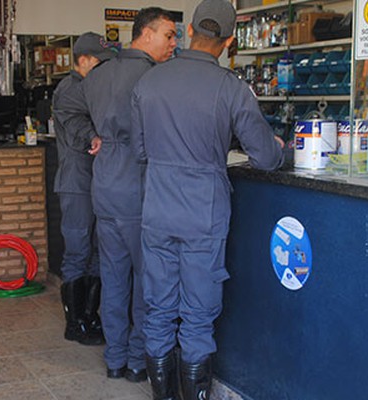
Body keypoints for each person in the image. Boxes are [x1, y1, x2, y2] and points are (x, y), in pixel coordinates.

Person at [130, 1, 284, 398]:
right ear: (230, 41)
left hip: (158, 210)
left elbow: (140, 151)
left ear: (188, 30)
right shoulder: (232, 89)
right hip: (204, 214)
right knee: (197, 318)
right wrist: (286, 149)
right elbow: (266, 157)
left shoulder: (148, 83)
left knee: (159, 310)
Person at [82, 8, 177, 383]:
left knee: (114, 276)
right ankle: (138, 360)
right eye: (168, 35)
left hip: (104, 184)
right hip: (139, 186)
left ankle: (115, 358)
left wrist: (91, 136)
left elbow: (70, 112)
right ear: (146, 34)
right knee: (145, 279)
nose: (174, 43)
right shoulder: (156, 77)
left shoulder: (98, 73)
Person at [52, 32, 114, 346]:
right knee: (77, 252)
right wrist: (94, 136)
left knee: (97, 253)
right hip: (76, 183)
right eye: (100, 63)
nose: (104, 70)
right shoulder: (70, 90)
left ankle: (91, 316)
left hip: (97, 181)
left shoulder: (93, 87)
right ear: (84, 60)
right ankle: (74, 323)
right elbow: (76, 126)